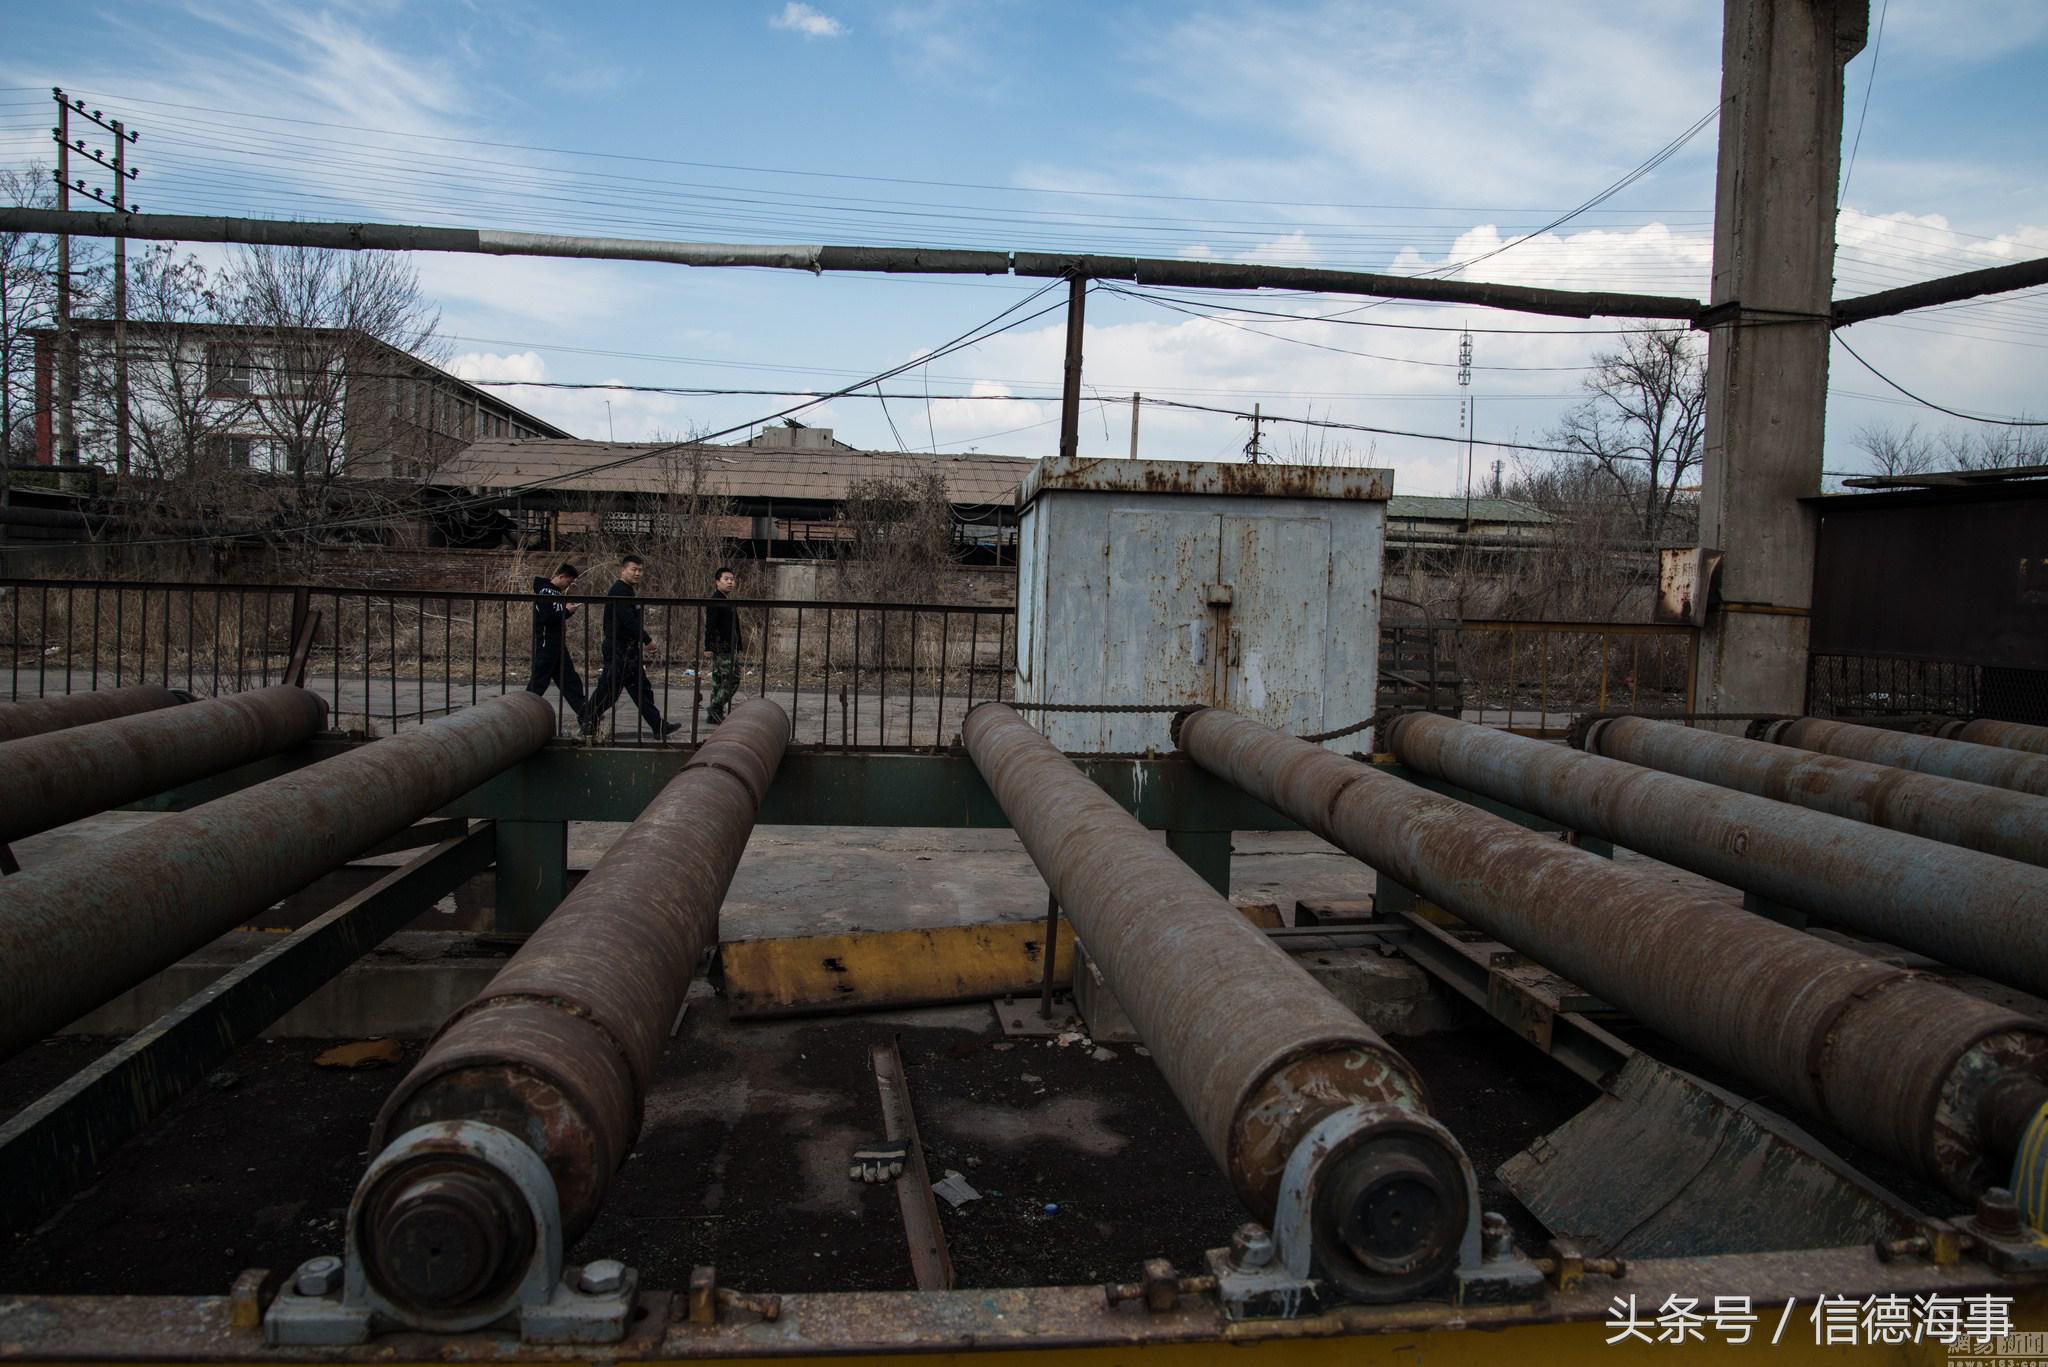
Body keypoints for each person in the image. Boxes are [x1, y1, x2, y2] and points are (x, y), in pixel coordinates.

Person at [579, 554, 680, 739]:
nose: (638, 573)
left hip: (627, 650)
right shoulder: (619, 591)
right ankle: (587, 719)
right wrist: (647, 640)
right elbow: (628, 621)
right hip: (619, 649)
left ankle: (658, 726)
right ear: (623, 570)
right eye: (634, 569)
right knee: (609, 691)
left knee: (641, 690)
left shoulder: (627, 591)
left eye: (640, 570)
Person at [525, 562, 587, 720]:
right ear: (561, 576)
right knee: (538, 684)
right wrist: (567, 611)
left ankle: (587, 717)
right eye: (568, 581)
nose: (568, 585)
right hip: (548, 645)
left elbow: (555, 615)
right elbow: (548, 618)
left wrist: (566, 611)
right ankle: (521, 715)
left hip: (557, 645)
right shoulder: (546, 591)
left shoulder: (555, 593)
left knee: (570, 682)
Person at [703, 565, 746, 726]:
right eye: (726, 579)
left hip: (728, 646)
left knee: (719, 680)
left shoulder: (726, 600)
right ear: (717, 582)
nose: (730, 582)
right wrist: (708, 646)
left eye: (732, 579)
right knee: (732, 679)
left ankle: (714, 714)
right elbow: (710, 625)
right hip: (723, 647)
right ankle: (715, 707)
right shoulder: (716, 600)